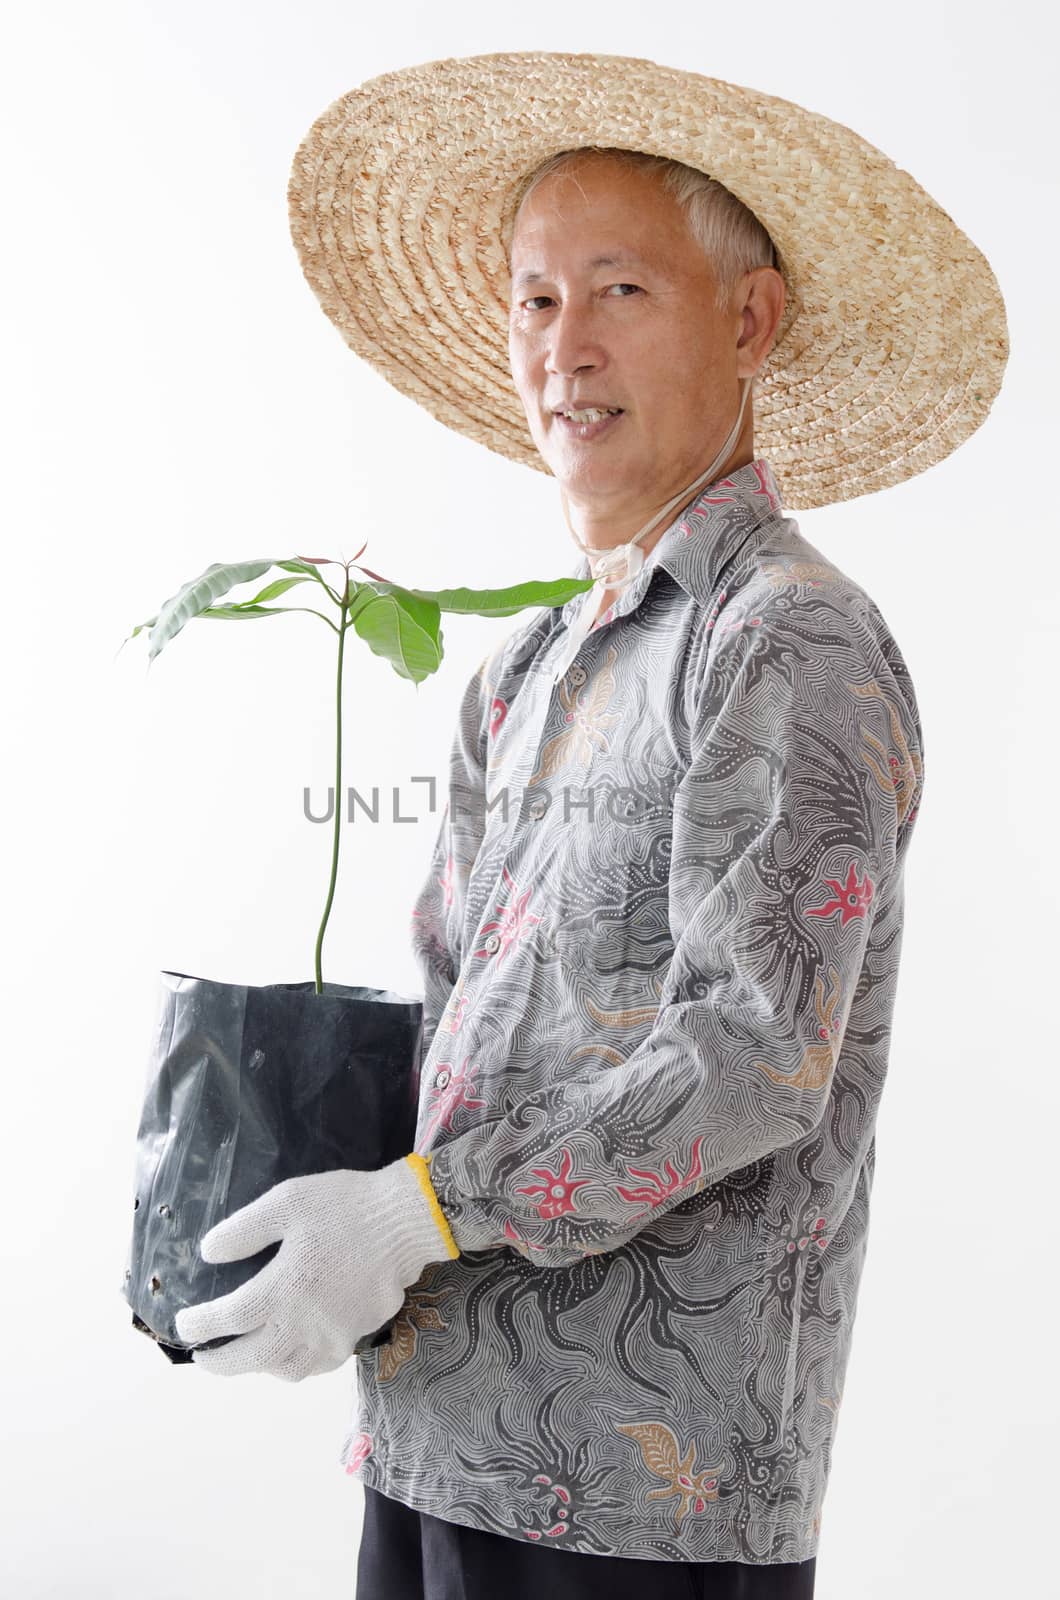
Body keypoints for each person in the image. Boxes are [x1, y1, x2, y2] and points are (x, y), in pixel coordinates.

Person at [175, 50, 1008, 1600]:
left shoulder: (788, 639)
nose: (565, 348)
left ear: (750, 321)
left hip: (642, 1490)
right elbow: (456, 1022)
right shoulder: (521, 671)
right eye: (534, 301)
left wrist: (413, 1212)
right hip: (431, 1426)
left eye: (619, 289)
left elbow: (753, 1059)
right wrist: (293, 1188)